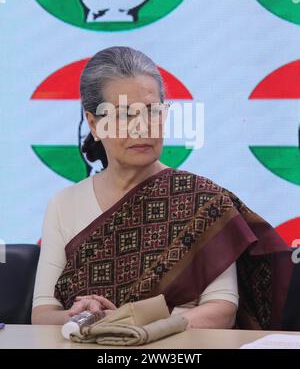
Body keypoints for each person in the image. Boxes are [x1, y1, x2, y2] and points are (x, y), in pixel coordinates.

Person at [31, 46, 293, 329]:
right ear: (95, 124)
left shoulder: (203, 201)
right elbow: (43, 315)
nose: (143, 127)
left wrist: (133, 326)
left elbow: (221, 310)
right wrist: (83, 316)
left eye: (152, 112)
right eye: (125, 115)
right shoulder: (64, 204)